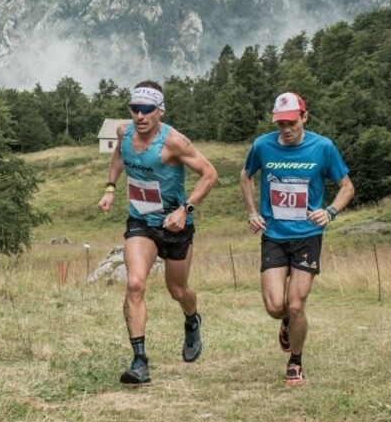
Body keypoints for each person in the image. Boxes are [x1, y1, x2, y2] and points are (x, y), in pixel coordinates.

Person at [98, 80, 218, 386]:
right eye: (135, 109)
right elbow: (117, 159)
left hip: (175, 225)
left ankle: (192, 320)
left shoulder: (174, 142)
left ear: (159, 111)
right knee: (135, 284)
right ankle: (139, 361)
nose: (140, 116)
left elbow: (209, 174)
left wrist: (185, 209)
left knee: (179, 291)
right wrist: (110, 189)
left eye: (146, 110)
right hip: (141, 221)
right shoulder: (124, 133)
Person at [239, 92, 354, 386]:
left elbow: (346, 187)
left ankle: (295, 361)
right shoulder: (262, 146)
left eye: (292, 123)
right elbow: (245, 175)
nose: (286, 130)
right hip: (274, 235)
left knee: (296, 304)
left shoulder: (323, 147)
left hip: (307, 236)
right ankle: (286, 324)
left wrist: (330, 212)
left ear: (304, 117)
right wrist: (252, 212)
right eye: (281, 124)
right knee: (276, 306)